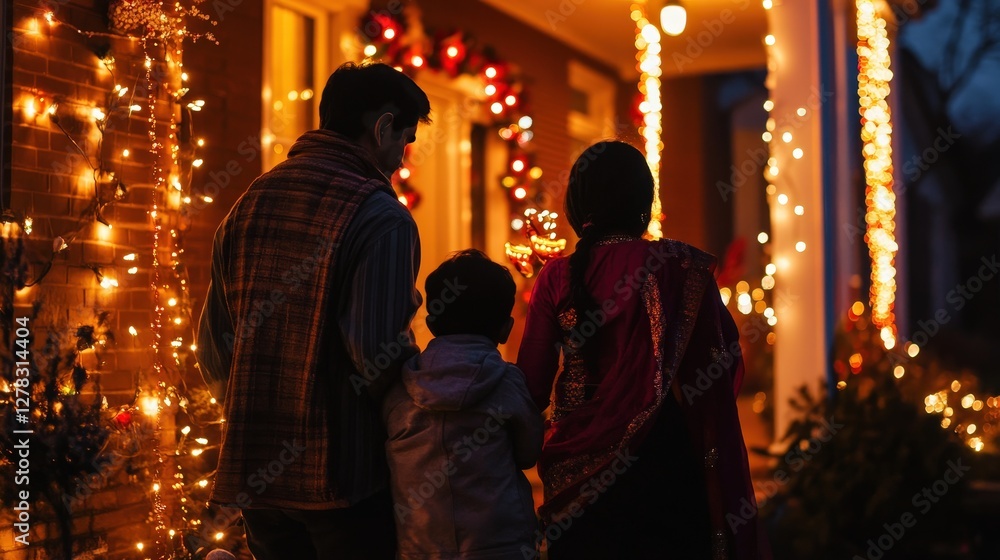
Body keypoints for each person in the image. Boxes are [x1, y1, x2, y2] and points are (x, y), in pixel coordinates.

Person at [195, 62, 430, 559]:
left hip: (254, 472)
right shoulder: (383, 216)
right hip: (343, 478)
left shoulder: (249, 201)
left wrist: (248, 410)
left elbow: (214, 346)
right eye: (404, 141)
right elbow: (377, 353)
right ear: (382, 126)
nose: (402, 161)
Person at [516, 141, 771, 559]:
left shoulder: (556, 277)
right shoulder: (678, 266)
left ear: (577, 206)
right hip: (666, 464)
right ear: (643, 202)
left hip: (578, 478)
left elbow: (531, 386)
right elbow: (722, 362)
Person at [382, 249, 544, 559]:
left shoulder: (399, 388)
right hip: (502, 544)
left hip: (420, 546)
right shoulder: (507, 383)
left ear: (429, 322)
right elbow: (528, 453)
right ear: (505, 328)